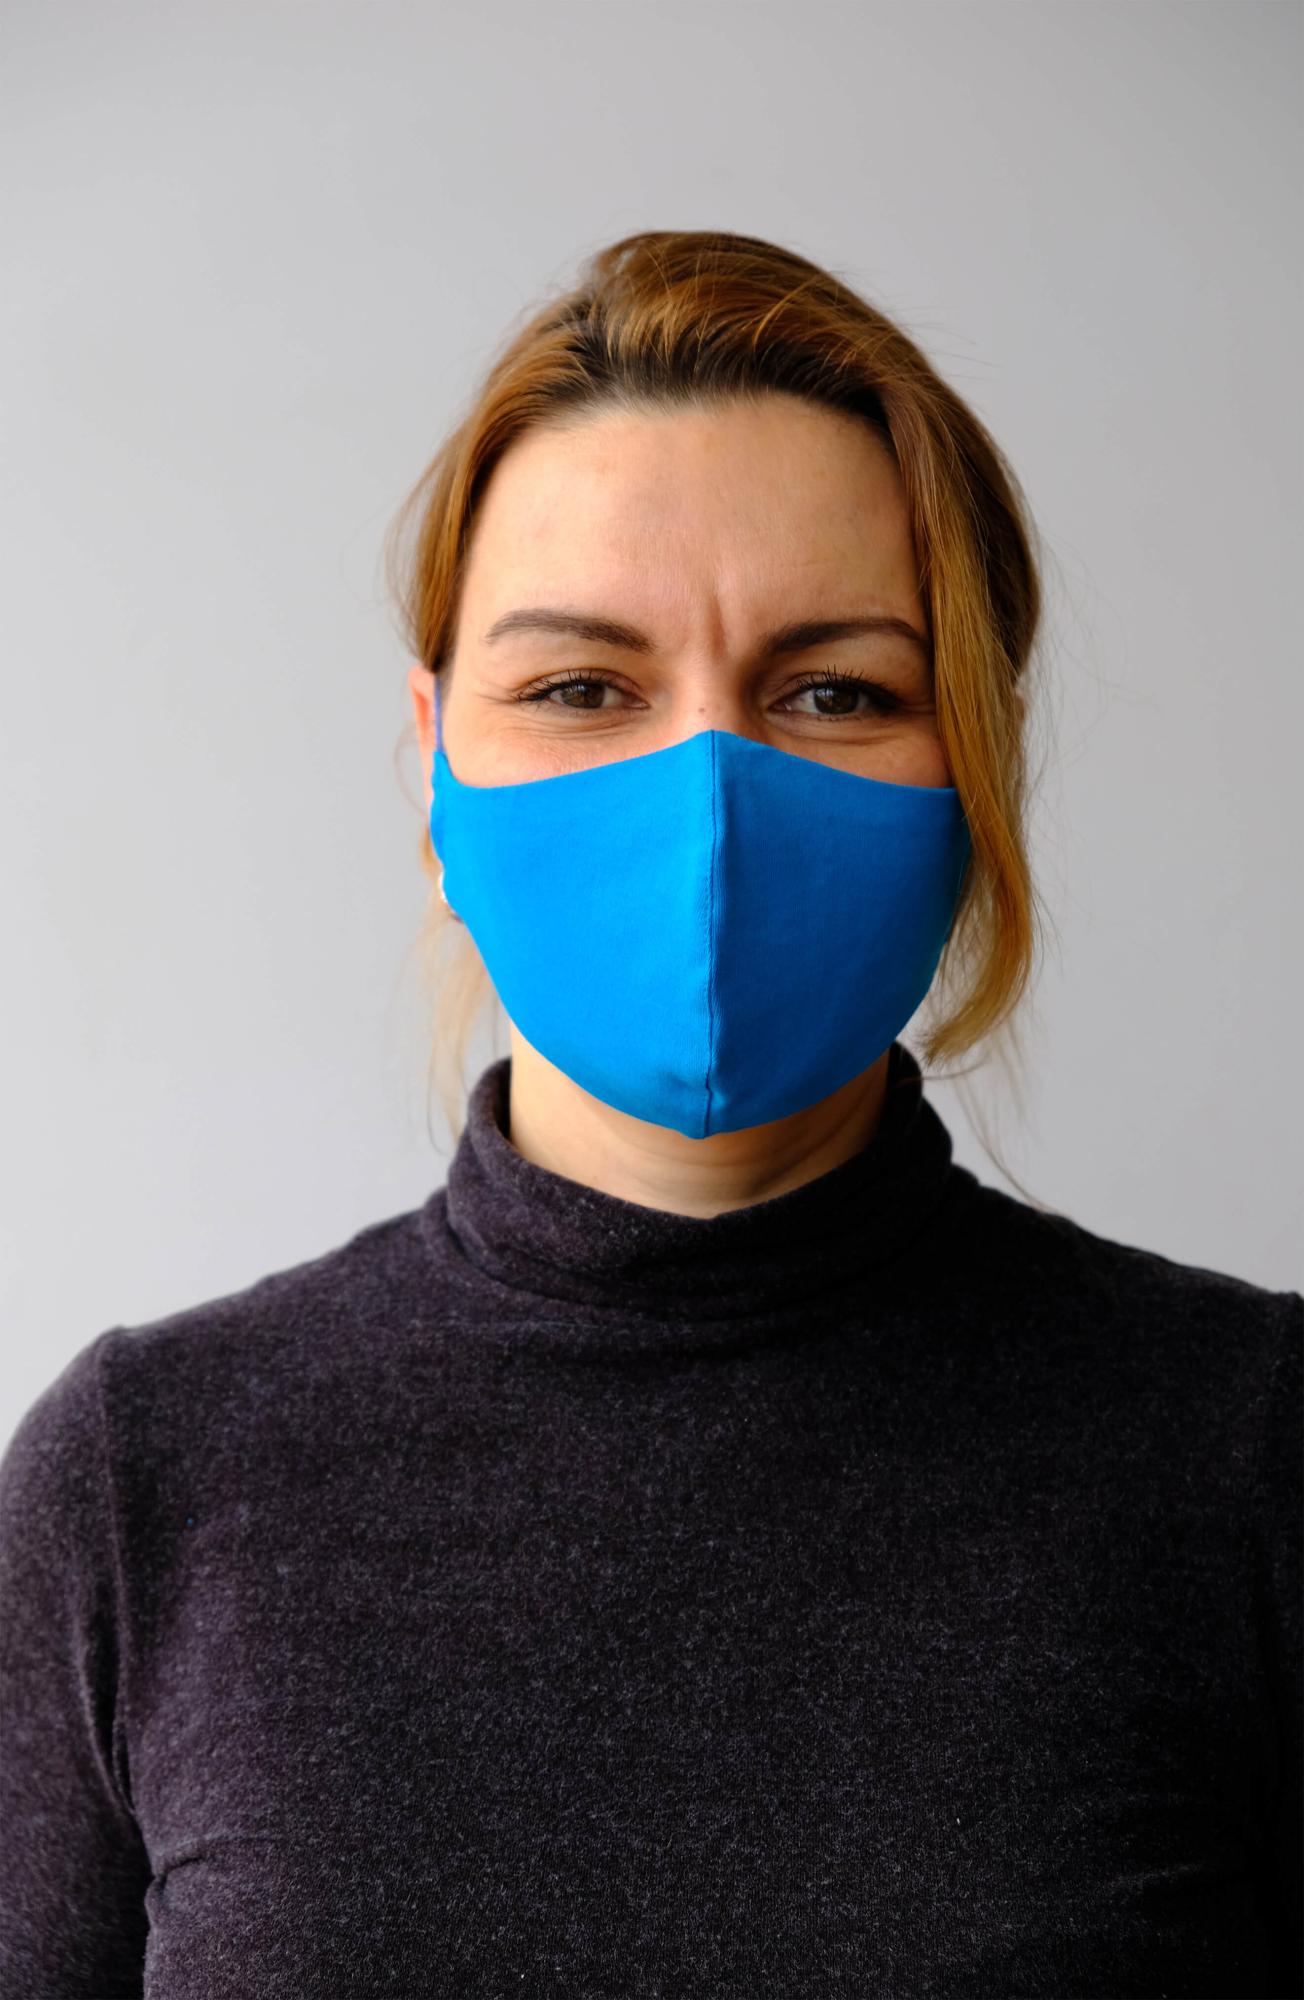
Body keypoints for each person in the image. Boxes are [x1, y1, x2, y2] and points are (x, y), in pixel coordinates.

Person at [1, 229, 1299, 2000]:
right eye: (579, 687)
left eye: (836, 690)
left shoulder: (1252, 1452)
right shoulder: (137, 1482)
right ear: (435, 757)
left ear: (977, 764)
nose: (706, 793)